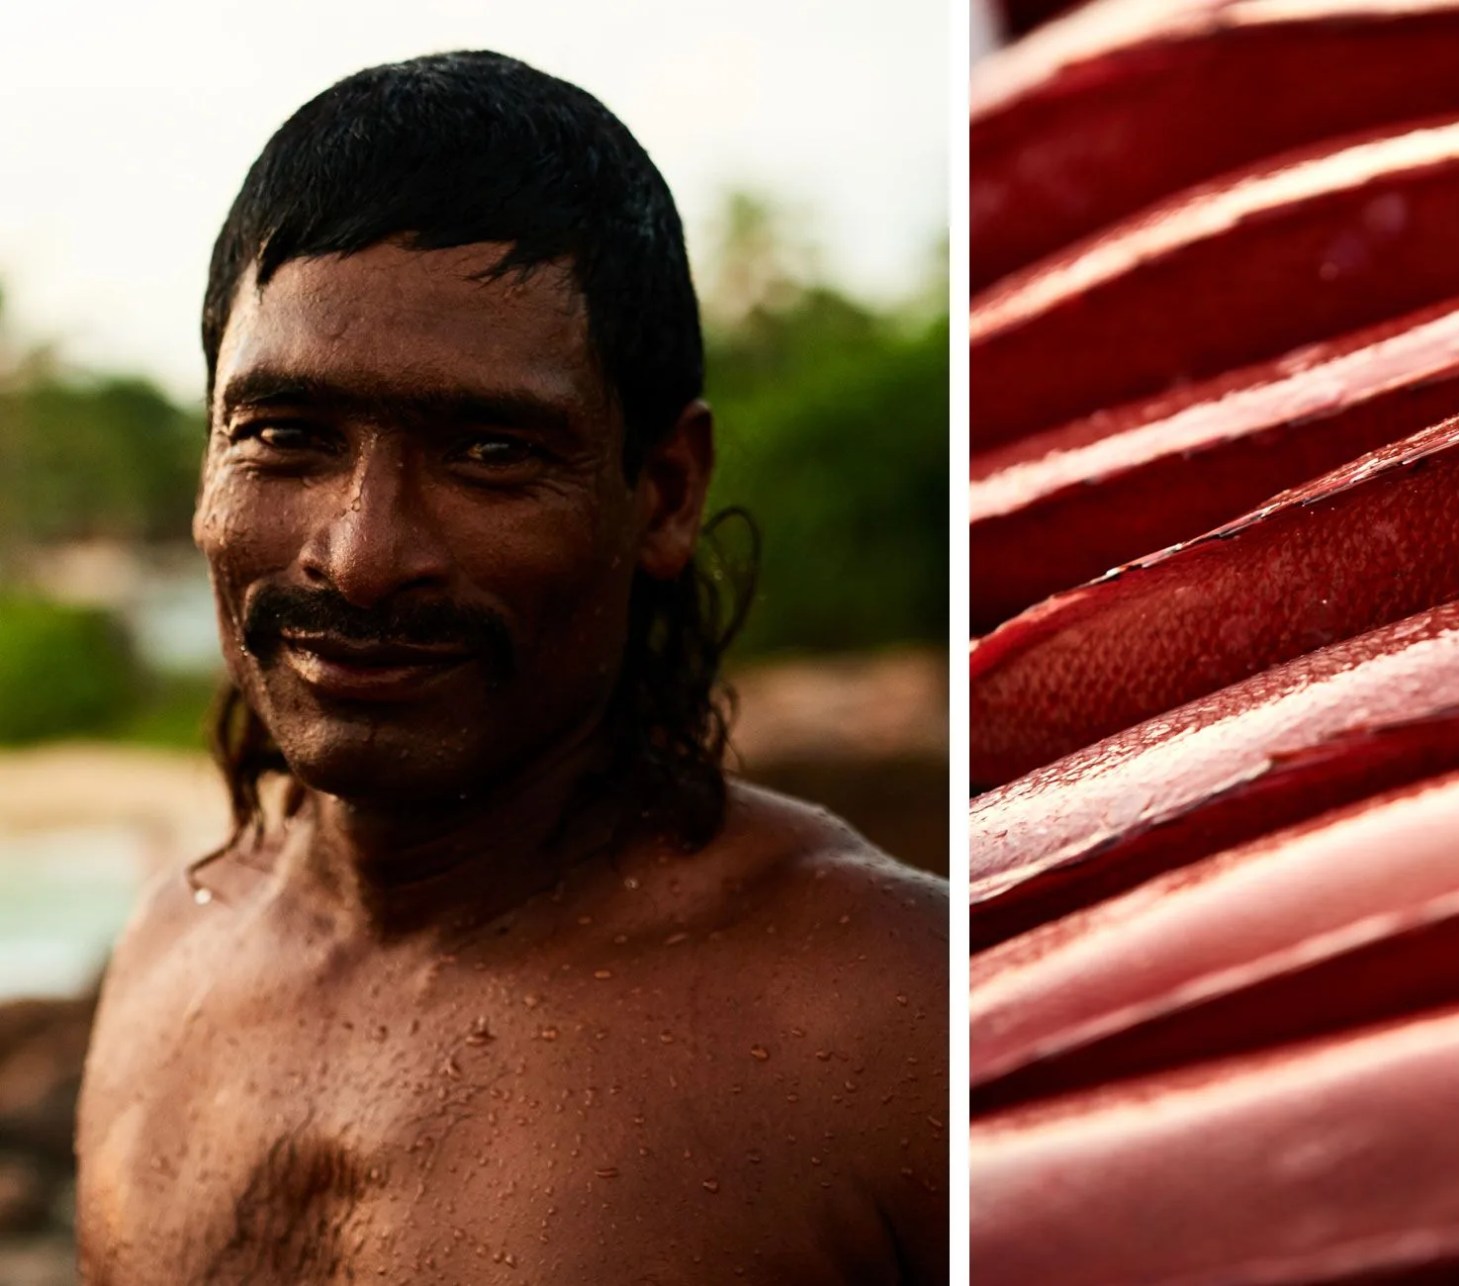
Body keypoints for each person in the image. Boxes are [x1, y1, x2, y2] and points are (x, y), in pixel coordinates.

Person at [72, 51, 948, 1284]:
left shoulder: (887, 1025)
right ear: (209, 460)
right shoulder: (164, 956)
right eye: (285, 435)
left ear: (663, 491)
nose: (361, 555)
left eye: (488, 451)